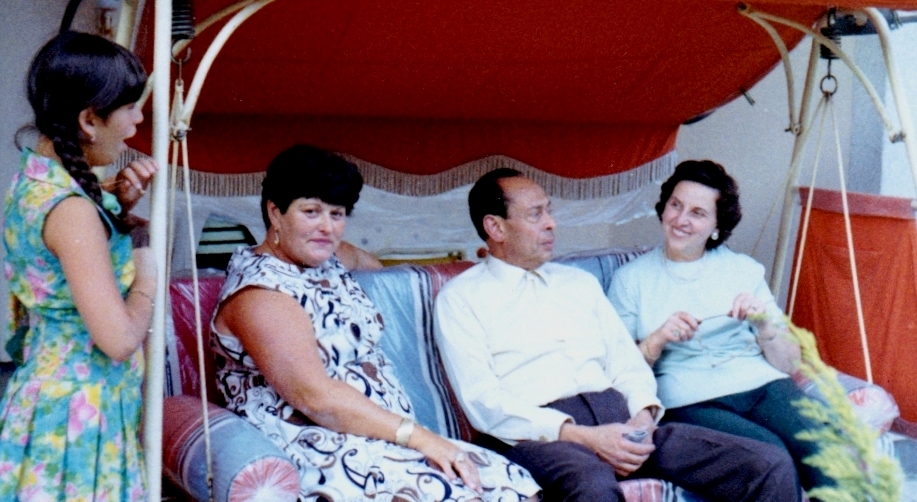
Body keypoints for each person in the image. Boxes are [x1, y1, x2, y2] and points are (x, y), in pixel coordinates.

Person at [434, 167, 801, 502]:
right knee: (592, 486)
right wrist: (582, 437)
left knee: (767, 464)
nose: (551, 224)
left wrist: (642, 418)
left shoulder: (578, 283)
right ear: (495, 228)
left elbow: (627, 362)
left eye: (549, 211)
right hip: (543, 437)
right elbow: (483, 401)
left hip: (622, 423)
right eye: (536, 215)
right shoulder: (462, 298)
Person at [210, 144, 539, 501]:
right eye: (310, 211)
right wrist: (424, 438)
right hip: (320, 448)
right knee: (459, 494)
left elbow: (367, 264)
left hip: (383, 437)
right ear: (275, 212)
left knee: (514, 482)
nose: (326, 227)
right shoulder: (261, 295)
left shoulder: (325, 257)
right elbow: (317, 399)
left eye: (336, 214)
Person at [607, 159, 832, 492]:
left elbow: (789, 364)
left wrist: (764, 324)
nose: (680, 220)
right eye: (675, 205)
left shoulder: (744, 270)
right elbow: (615, 372)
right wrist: (656, 340)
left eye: (697, 213)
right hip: (691, 398)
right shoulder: (631, 280)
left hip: (762, 385)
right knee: (773, 458)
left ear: (716, 225)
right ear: (663, 207)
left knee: (826, 449)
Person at [0, 32, 158, 500]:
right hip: (78, 421)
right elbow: (119, 339)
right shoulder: (69, 210)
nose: (138, 120)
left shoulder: (36, 179)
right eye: (130, 107)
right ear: (89, 119)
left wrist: (117, 207)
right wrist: (145, 257)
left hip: (56, 407)